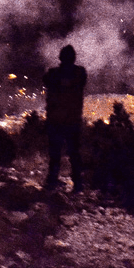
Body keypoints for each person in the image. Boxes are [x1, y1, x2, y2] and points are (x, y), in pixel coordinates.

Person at [43, 44, 86, 190]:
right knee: (74, 153)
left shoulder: (53, 74)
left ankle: (52, 181)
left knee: (55, 154)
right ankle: (78, 183)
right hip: (72, 120)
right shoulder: (80, 73)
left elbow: (47, 80)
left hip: (56, 121)